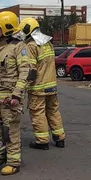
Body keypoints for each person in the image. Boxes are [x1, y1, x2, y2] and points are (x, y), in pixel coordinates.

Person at [0, 11, 32, 175]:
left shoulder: (19, 47)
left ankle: (13, 162)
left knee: (10, 130)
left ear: (7, 28)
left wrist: (17, 95)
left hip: (10, 98)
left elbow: (27, 73)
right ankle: (0, 155)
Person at [19, 17, 66, 149]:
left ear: (27, 30)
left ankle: (42, 141)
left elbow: (31, 70)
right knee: (53, 112)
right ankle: (59, 138)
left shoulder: (31, 46)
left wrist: (22, 87)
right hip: (52, 86)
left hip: (38, 88)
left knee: (37, 113)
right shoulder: (48, 43)